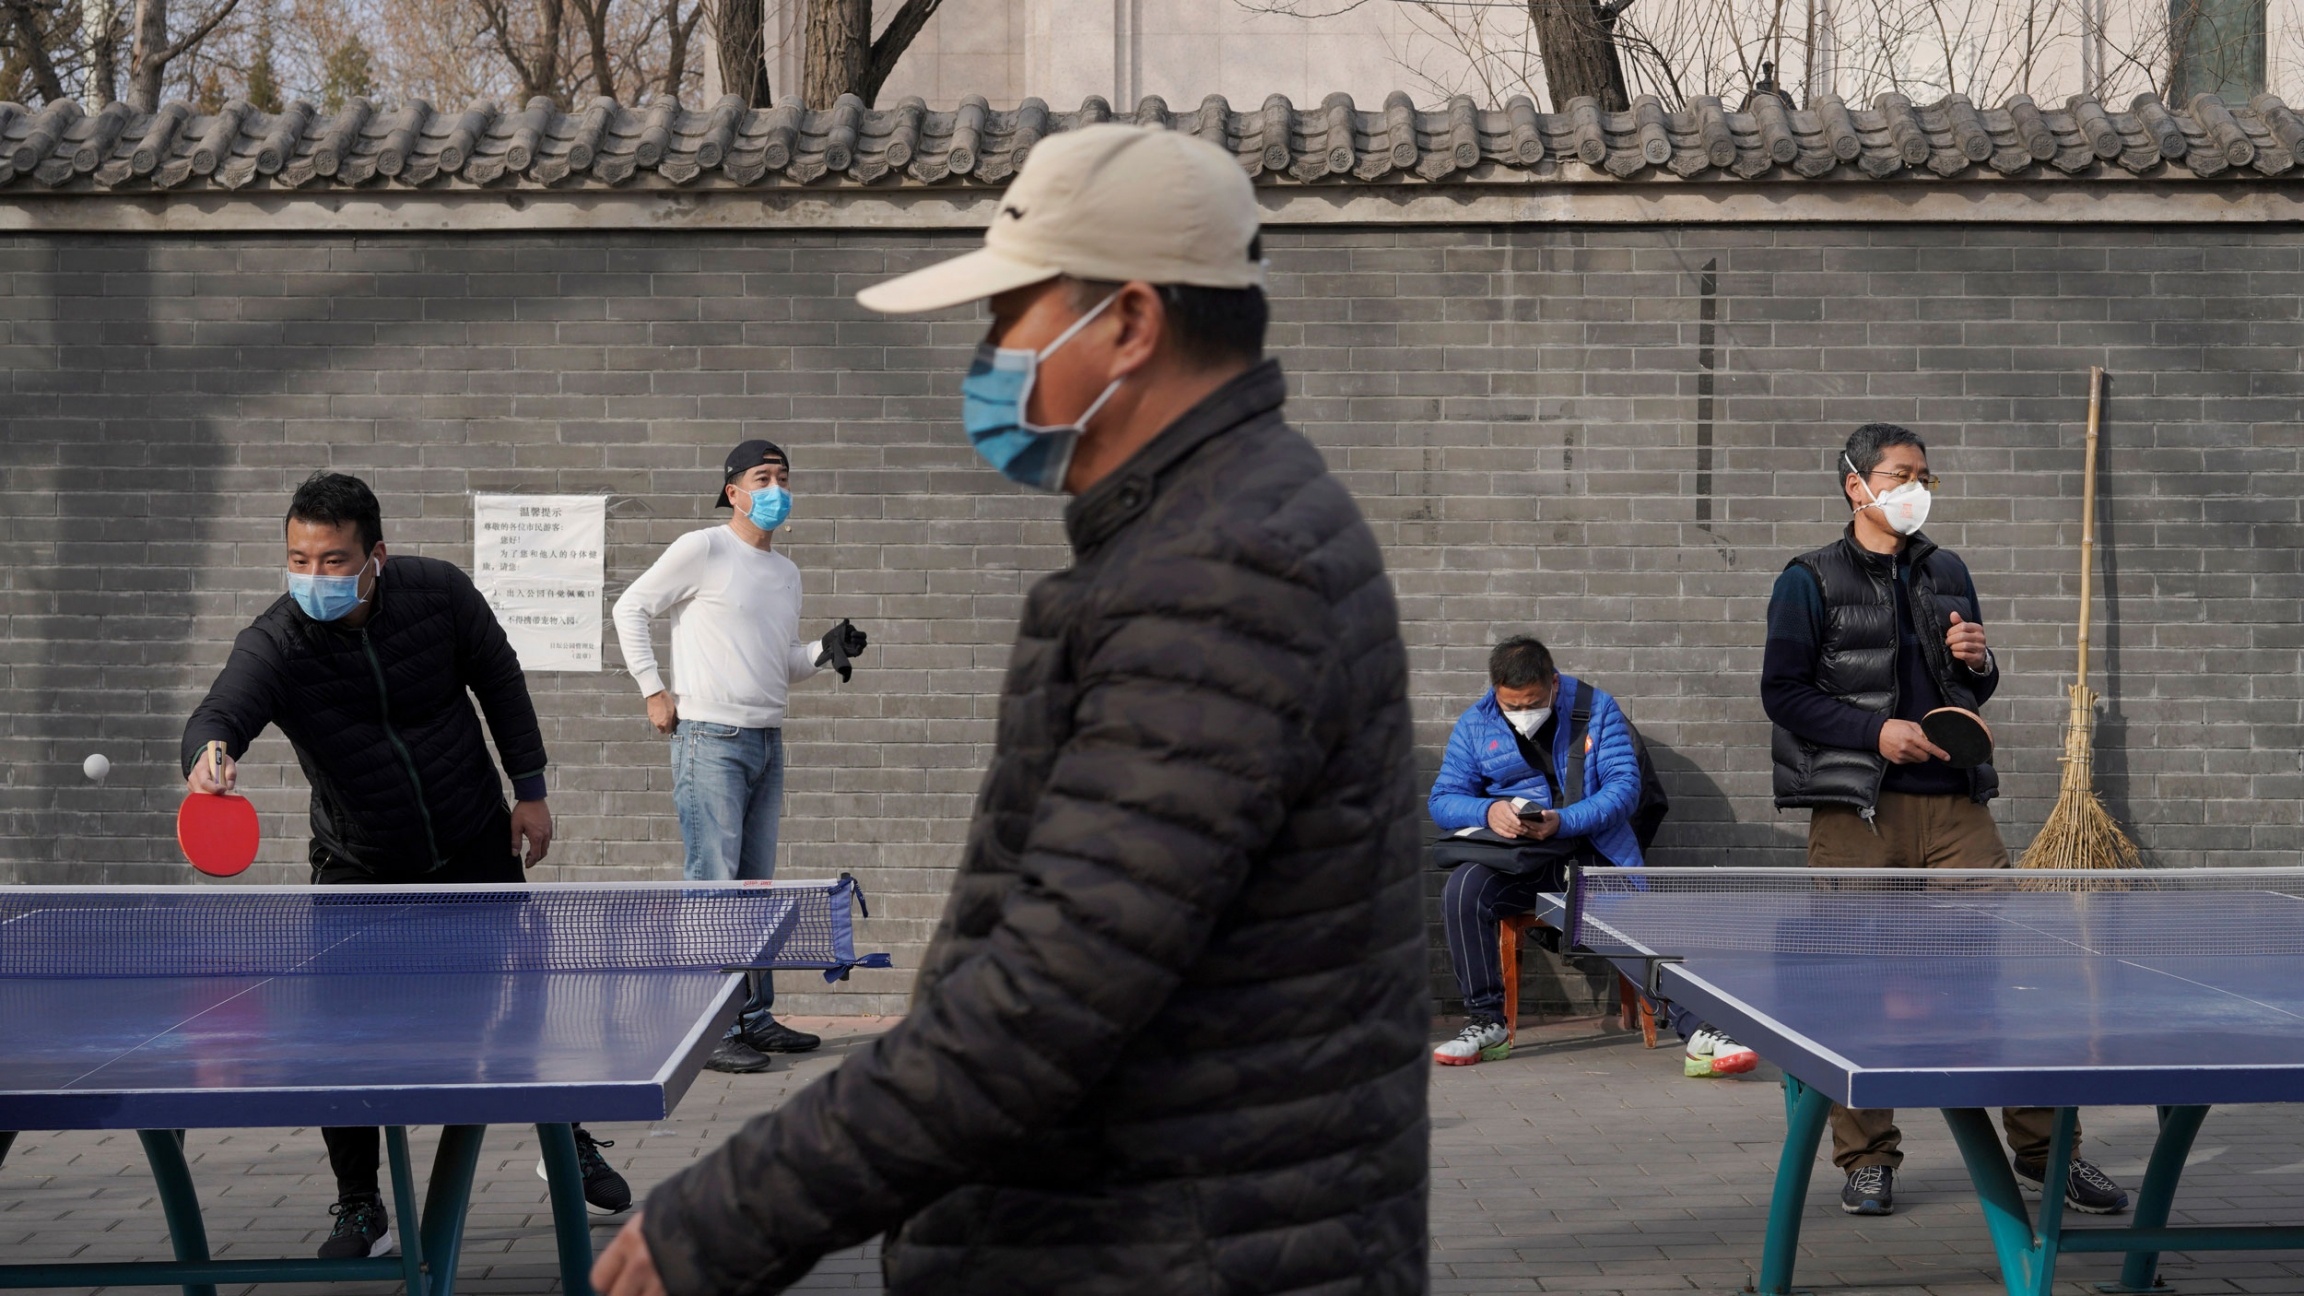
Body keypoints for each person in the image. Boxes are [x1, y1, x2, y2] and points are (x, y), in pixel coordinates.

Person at [592, 123, 1427, 1296]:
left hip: (1177, 1246)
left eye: (1011, 315)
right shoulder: (1209, 532)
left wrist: (730, 1215)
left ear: (1129, 323)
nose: (989, 357)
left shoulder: (1222, 572)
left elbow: (1050, 992)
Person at [180, 472, 632, 1259]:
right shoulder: (278, 641)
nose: (313, 576)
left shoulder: (439, 594)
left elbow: (501, 682)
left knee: (522, 1006)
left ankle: (567, 1141)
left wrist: (530, 793)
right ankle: (360, 1204)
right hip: (362, 862)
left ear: (375, 556)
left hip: (472, 841)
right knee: (337, 1042)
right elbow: (222, 708)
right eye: (298, 559)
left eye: (332, 560)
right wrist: (209, 753)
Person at [1764, 423, 2129, 1218]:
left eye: (1922, 475)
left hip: (1957, 809)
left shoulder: (1947, 568)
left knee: (1998, 981)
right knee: (1856, 986)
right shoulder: (1808, 579)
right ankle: (1867, 1158)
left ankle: (2044, 1152)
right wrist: (1874, 732)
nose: (1914, 488)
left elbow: (1972, 693)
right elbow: (1781, 692)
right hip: (1857, 812)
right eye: (1899, 474)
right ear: (1856, 484)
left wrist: (1978, 662)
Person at [611, 439, 872, 1074]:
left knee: (754, 888)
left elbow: (778, 663)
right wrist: (653, 690)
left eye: (783, 476)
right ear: (733, 490)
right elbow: (630, 607)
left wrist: (824, 651)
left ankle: (753, 1018)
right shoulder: (703, 547)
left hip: (765, 739)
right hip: (710, 741)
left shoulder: (785, 574)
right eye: (763, 476)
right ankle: (709, 1028)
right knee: (713, 885)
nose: (775, 486)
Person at [1425, 637, 1754, 1078]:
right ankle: (1486, 1023)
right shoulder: (1476, 723)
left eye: (1533, 702)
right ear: (1495, 692)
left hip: (1593, 852)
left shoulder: (1597, 709)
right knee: (1463, 889)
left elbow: (1624, 791)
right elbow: (1443, 799)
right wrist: (1488, 810)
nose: (1522, 713)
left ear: (1554, 684)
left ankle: (1701, 1032)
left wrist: (1563, 821)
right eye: (1511, 705)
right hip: (1519, 858)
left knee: (1633, 923)